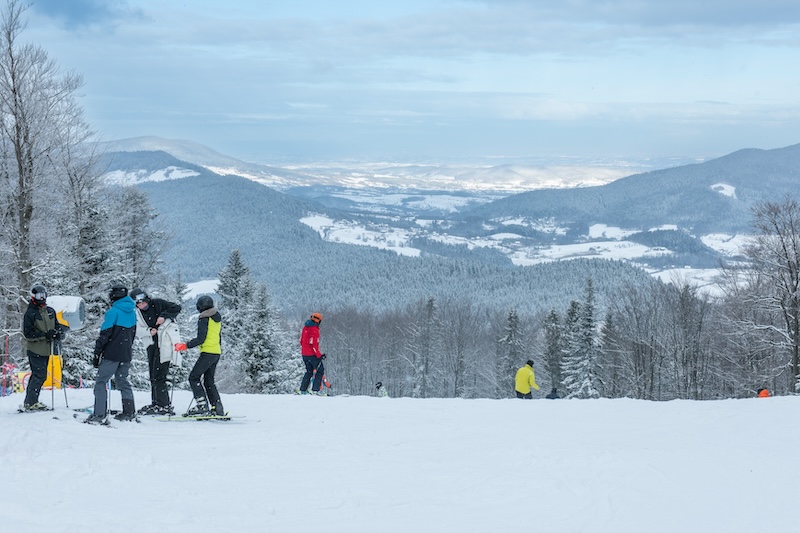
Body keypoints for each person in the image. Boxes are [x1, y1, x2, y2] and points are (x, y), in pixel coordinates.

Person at [86, 283, 137, 423]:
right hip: (126, 353)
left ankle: (99, 414)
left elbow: (104, 335)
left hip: (111, 354)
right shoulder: (132, 312)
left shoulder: (113, 312)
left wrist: (97, 354)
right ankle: (129, 411)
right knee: (122, 381)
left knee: (101, 382)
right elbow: (132, 336)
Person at [130, 288, 182, 415]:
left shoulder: (158, 303)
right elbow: (137, 329)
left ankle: (164, 405)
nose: (141, 305)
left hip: (164, 344)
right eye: (138, 304)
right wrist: (149, 331)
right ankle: (156, 402)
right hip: (151, 344)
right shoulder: (137, 313)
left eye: (143, 302)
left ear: (147, 299)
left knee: (160, 376)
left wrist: (163, 316)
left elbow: (176, 308)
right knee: (153, 375)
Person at [21, 284, 65, 411]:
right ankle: (31, 402)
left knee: (40, 375)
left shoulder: (50, 311)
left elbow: (56, 326)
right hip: (35, 349)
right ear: (34, 297)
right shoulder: (31, 313)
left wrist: (58, 333)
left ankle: (31, 401)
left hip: (47, 349)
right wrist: (45, 335)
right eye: (40, 296)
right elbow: (28, 333)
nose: (42, 298)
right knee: (39, 375)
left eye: (44, 295)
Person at [181, 295, 224, 416]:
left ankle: (202, 405)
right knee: (209, 381)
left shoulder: (204, 318)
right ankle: (217, 407)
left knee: (193, 377)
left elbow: (201, 338)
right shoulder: (217, 318)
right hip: (216, 352)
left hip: (208, 352)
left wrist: (185, 346)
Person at [298, 312, 325, 395]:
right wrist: (319, 355)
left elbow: (301, 341)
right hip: (312, 355)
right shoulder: (314, 329)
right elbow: (314, 344)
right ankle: (316, 390)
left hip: (304, 354)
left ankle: (303, 390)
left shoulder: (305, 328)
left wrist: (305, 351)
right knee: (320, 370)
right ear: (318, 320)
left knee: (309, 371)